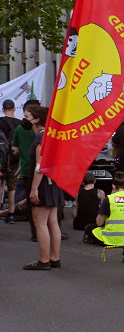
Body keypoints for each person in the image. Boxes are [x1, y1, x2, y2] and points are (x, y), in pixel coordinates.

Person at [23, 105, 66, 270]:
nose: (25, 120)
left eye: (27, 117)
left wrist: (33, 189)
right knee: (52, 221)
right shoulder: (52, 136)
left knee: (39, 222)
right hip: (54, 182)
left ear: (37, 119)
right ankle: (55, 258)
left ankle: (44, 260)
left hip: (43, 184)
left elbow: (39, 167)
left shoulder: (41, 138)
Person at [86, 171, 124, 248]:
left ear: (113, 186)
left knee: (89, 228)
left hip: (111, 240)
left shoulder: (109, 199)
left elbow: (99, 223)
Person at [12, 99, 40, 237]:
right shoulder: (40, 130)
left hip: (25, 169)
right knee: (45, 203)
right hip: (40, 170)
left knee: (30, 202)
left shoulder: (19, 129)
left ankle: (34, 231)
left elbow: (14, 149)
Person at [0, 99, 21, 222]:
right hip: (14, 159)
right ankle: (11, 214)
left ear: (3, 109)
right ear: (14, 109)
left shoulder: (0, 122)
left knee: (0, 184)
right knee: (12, 186)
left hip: (1, 158)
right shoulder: (19, 124)